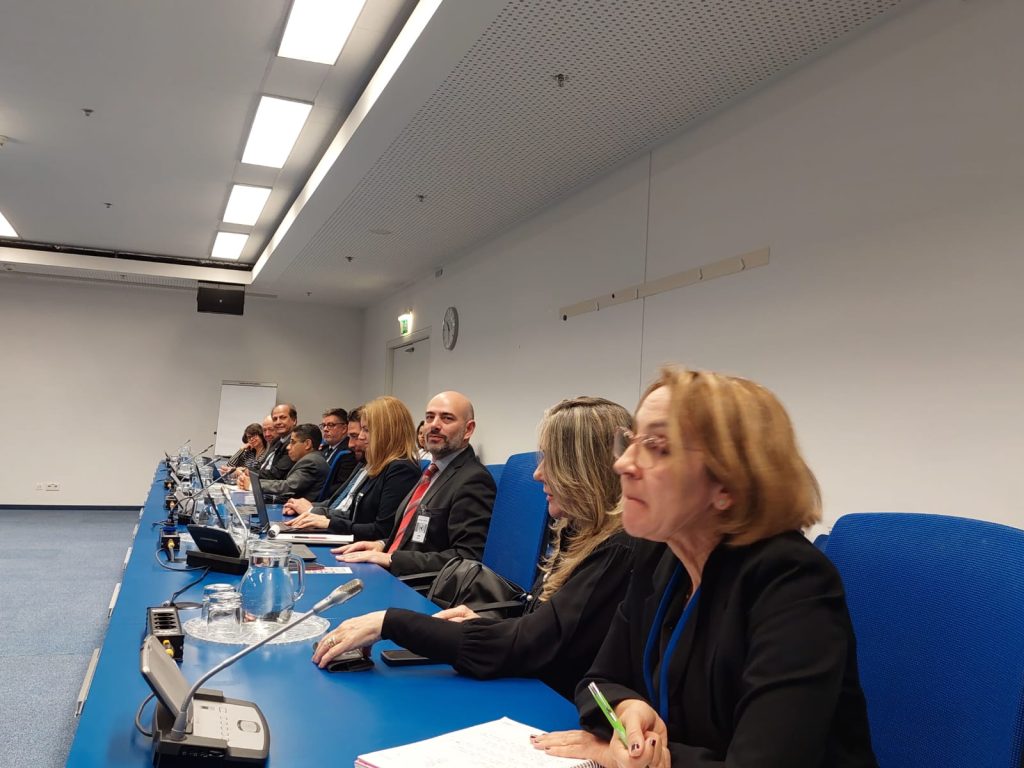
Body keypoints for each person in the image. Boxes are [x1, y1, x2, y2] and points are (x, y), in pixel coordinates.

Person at [533, 369, 878, 768]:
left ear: (728, 484)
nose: (623, 463)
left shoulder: (793, 582)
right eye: (629, 442)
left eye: (657, 447)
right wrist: (626, 708)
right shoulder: (658, 553)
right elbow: (597, 681)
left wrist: (640, 758)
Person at [313, 397, 638, 701]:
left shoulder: (616, 550)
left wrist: (391, 624)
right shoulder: (575, 530)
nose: (538, 474)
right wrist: (486, 621)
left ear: (585, 469)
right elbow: (541, 624)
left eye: (551, 460)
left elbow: (532, 645)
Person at [333, 391, 496, 577]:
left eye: (447, 418)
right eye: (429, 417)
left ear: (468, 429)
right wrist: (382, 545)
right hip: (394, 571)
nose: (434, 425)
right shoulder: (433, 472)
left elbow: (467, 558)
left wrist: (393, 559)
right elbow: (417, 537)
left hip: (417, 584)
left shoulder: (473, 479)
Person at [285, 400, 420, 539]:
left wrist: (328, 523)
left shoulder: (401, 469)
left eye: (366, 430)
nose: (361, 436)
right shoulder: (377, 464)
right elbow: (353, 511)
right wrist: (316, 514)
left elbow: (382, 531)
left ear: (387, 432)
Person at [237, 423, 328, 502]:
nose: (288, 447)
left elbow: (288, 487)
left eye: (293, 442)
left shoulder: (311, 461)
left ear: (307, 444)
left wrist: (253, 485)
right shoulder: (311, 459)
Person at [319, 407, 357, 500]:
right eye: (323, 425)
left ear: (344, 428)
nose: (325, 429)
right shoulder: (323, 449)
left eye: (330, 425)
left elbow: (341, 486)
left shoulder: (348, 452)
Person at [252, 404, 298, 480]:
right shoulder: (277, 440)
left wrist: (249, 473)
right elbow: (262, 465)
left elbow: (276, 474)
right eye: (275, 419)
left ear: (294, 420)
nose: (278, 422)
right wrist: (245, 470)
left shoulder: (295, 443)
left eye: (283, 417)